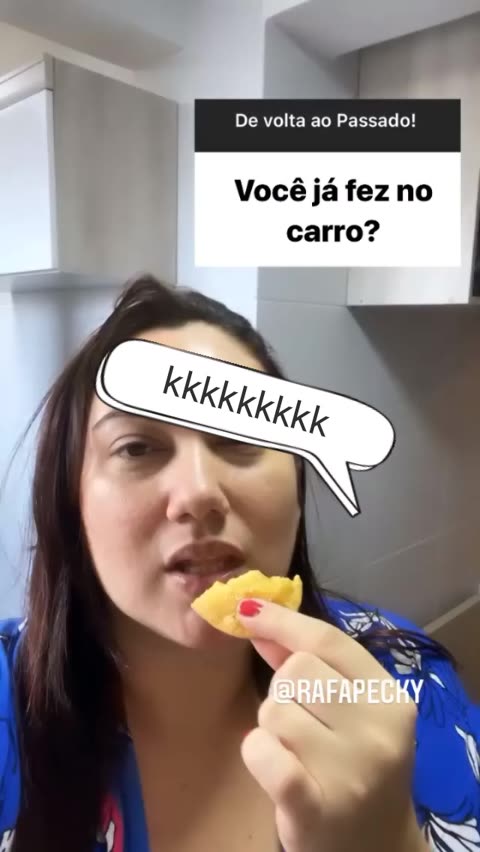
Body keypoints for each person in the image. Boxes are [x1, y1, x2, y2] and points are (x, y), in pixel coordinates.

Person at [0, 275, 479, 852]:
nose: (200, 491)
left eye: (239, 440)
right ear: (70, 503)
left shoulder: (404, 680)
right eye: (137, 447)